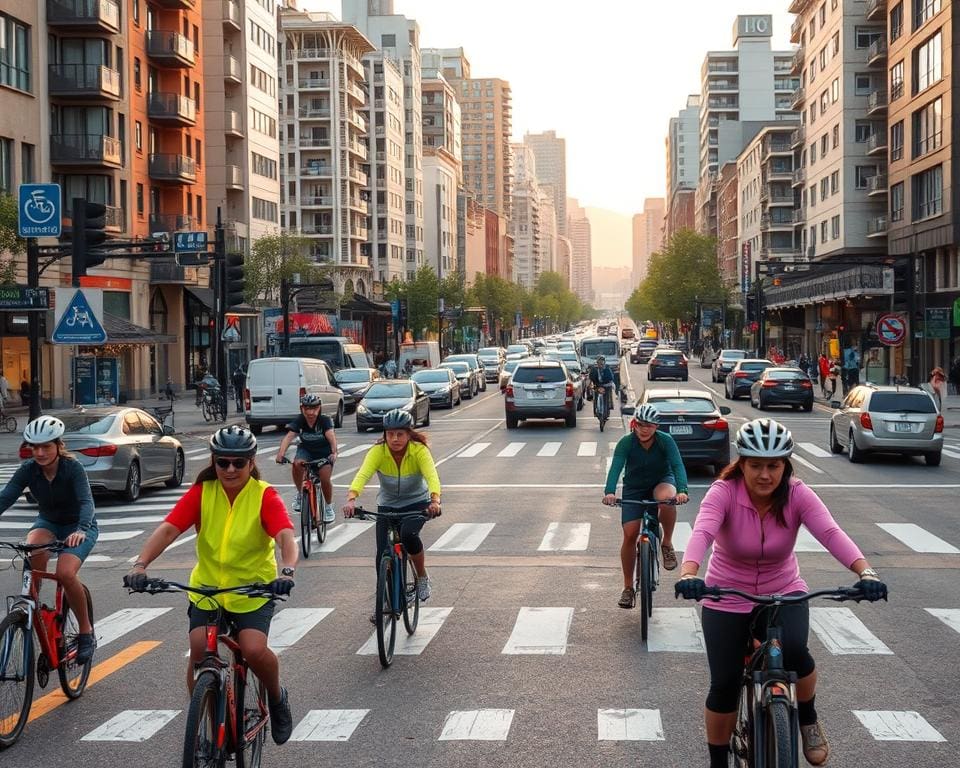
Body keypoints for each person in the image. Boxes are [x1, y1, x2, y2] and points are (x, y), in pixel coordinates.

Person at [675, 418, 887, 768]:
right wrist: (689, 573)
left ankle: (808, 719)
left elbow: (830, 533)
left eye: (773, 466)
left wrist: (866, 571)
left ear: (785, 465)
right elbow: (702, 533)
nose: (764, 475)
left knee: (795, 652)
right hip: (726, 592)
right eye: (755, 465)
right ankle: (717, 762)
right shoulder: (723, 492)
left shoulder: (798, 493)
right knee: (725, 684)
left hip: (783, 590)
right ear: (741, 464)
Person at [124, 426, 298, 745]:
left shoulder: (264, 495)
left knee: (253, 650)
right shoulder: (203, 492)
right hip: (207, 591)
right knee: (199, 652)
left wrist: (286, 571)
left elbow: (286, 535)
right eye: (223, 462)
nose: (230, 469)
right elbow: (168, 530)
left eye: (238, 463)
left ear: (251, 462)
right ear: (214, 461)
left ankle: (276, 696)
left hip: (253, 590)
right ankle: (204, 720)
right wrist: (140, 565)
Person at [0, 417, 99, 663]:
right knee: (32, 546)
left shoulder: (72, 468)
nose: (40, 452)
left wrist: (81, 529)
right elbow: (6, 496)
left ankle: (86, 632)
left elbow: (87, 502)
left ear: (58, 446)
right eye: (35, 447)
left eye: (46, 446)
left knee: (65, 573)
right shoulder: (29, 469)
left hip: (79, 525)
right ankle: (31, 605)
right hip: (49, 522)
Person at [341, 409, 441, 603]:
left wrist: (435, 500)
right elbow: (363, 474)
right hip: (387, 505)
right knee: (381, 556)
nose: (395, 439)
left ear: (409, 434)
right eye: (390, 434)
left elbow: (432, 476)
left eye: (400, 434)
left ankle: (422, 577)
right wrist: (351, 498)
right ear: (385, 434)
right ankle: (385, 602)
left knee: (408, 536)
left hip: (416, 503)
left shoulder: (418, 450)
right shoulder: (378, 451)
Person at [601, 404, 689, 608]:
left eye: (649, 425)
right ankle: (628, 588)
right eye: (640, 424)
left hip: (661, 482)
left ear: (656, 426)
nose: (644, 429)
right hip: (634, 488)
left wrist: (682, 490)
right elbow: (616, 467)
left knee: (667, 499)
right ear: (635, 424)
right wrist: (610, 492)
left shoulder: (665, 441)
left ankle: (666, 543)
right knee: (630, 534)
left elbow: (677, 465)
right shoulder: (626, 442)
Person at [275, 393, 338, 523]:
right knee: (297, 464)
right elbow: (289, 437)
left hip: (323, 453)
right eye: (307, 409)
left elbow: (331, 436)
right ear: (302, 409)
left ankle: (328, 507)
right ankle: (300, 494)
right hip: (306, 451)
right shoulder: (300, 420)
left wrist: (334, 452)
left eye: (314, 408)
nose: (310, 412)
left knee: (324, 478)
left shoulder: (324, 421)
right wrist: (280, 453)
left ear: (319, 408)